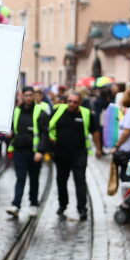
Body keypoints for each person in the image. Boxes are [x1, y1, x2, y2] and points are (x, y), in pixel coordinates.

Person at [7, 86, 50, 217]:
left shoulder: (40, 112)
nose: (28, 98)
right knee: (20, 178)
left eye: (30, 95)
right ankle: (16, 205)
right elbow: (12, 129)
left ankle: (33, 204)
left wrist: (40, 151)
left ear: (34, 96)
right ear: (22, 96)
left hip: (34, 152)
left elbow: (44, 134)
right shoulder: (17, 111)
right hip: (19, 150)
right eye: (25, 95)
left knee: (34, 179)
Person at [48, 91, 91, 221]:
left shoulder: (85, 113)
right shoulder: (58, 111)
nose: (72, 104)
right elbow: (48, 127)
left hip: (79, 154)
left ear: (79, 103)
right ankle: (63, 205)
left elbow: (94, 131)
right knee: (61, 181)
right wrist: (52, 139)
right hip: (61, 154)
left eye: (75, 102)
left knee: (80, 181)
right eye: (70, 101)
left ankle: (82, 209)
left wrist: (99, 149)